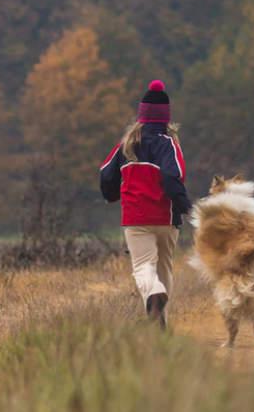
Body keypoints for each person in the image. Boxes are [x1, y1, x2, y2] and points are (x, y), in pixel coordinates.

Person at [100, 80, 192, 328]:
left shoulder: (126, 145)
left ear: (141, 115)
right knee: (165, 269)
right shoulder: (169, 144)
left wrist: (110, 196)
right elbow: (172, 179)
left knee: (143, 267)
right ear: (166, 118)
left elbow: (106, 175)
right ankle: (160, 321)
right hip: (165, 219)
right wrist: (187, 207)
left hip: (135, 219)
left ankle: (153, 296)